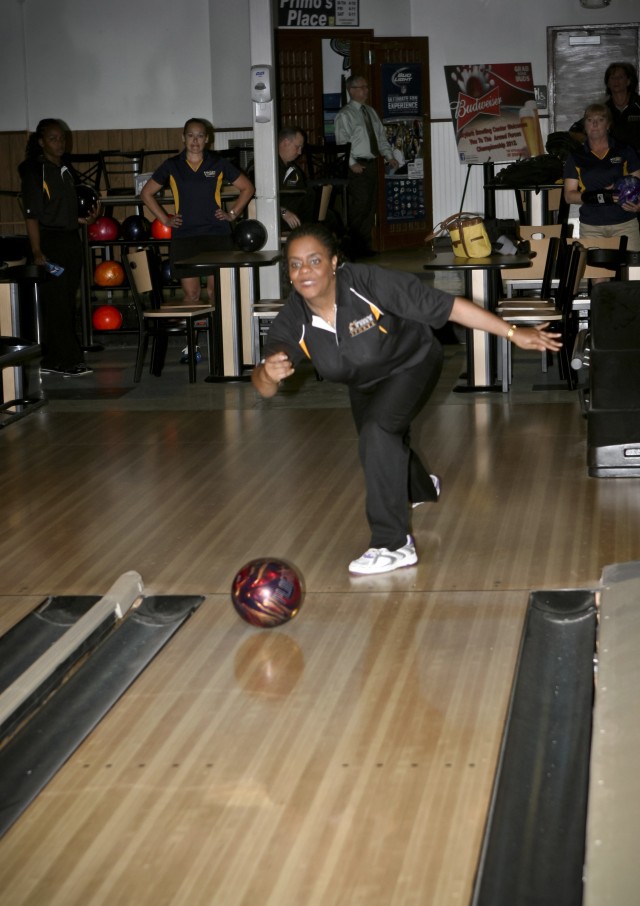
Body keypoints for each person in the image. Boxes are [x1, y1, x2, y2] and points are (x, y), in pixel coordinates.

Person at [251, 223, 562, 576]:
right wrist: (267, 373)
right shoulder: (294, 318)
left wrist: (512, 333)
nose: (304, 271)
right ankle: (421, 486)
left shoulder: (368, 283)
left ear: (334, 262)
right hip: (363, 381)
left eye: (314, 260)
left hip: (412, 362)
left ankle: (392, 544)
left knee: (378, 433)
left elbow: (448, 307)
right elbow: (264, 386)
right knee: (381, 438)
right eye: (295, 264)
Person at [141, 118, 254, 307]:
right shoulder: (172, 165)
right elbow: (146, 193)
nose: (195, 141)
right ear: (183, 138)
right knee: (192, 295)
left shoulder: (218, 163)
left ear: (207, 139)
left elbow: (248, 188)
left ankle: (220, 337)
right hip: (185, 236)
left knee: (216, 294)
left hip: (216, 234)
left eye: (200, 136)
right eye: (191, 136)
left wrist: (232, 214)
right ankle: (195, 337)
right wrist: (165, 220)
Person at [19, 118, 99, 377]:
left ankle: (52, 358)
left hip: (69, 239)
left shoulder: (63, 168)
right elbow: (32, 215)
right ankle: (68, 360)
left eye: (62, 138)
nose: (60, 143)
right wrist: (37, 252)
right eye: (53, 138)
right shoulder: (34, 170)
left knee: (65, 302)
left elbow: (58, 208)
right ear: (41, 142)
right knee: (57, 304)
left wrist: (83, 219)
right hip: (49, 242)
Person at [334, 75, 398, 258]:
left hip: (371, 165)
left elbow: (380, 137)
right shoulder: (344, 115)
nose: (366, 90)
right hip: (356, 166)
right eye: (362, 87)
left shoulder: (370, 112)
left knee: (370, 206)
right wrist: (352, 163)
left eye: (366, 87)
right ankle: (348, 247)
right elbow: (342, 143)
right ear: (351, 90)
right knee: (359, 206)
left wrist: (389, 156)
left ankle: (363, 247)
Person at [563, 102, 640, 252]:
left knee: (633, 273)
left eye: (600, 119)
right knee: (598, 274)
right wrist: (601, 196)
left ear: (608, 125)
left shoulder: (625, 151)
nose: (595, 124)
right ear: (584, 126)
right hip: (592, 226)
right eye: (590, 120)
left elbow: (638, 184)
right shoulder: (576, 156)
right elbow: (569, 196)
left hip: (625, 224)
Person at [571, 63, 640, 154]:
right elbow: (575, 130)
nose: (616, 81)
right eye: (612, 78)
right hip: (613, 162)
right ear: (608, 83)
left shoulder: (638, 104)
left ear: (628, 81)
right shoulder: (604, 109)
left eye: (620, 77)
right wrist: (593, 143)